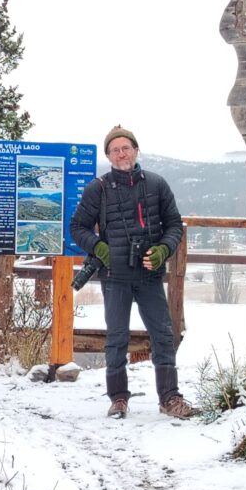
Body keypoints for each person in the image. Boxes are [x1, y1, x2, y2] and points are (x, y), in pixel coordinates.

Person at [70, 125, 197, 420]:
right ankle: (118, 399)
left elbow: (174, 225)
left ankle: (169, 398)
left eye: (126, 147)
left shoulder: (156, 184)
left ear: (136, 150)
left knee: (163, 335)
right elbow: (77, 227)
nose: (121, 153)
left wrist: (163, 250)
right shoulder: (97, 189)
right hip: (115, 275)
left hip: (149, 273)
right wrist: (100, 249)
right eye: (115, 150)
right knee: (116, 337)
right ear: (109, 156)